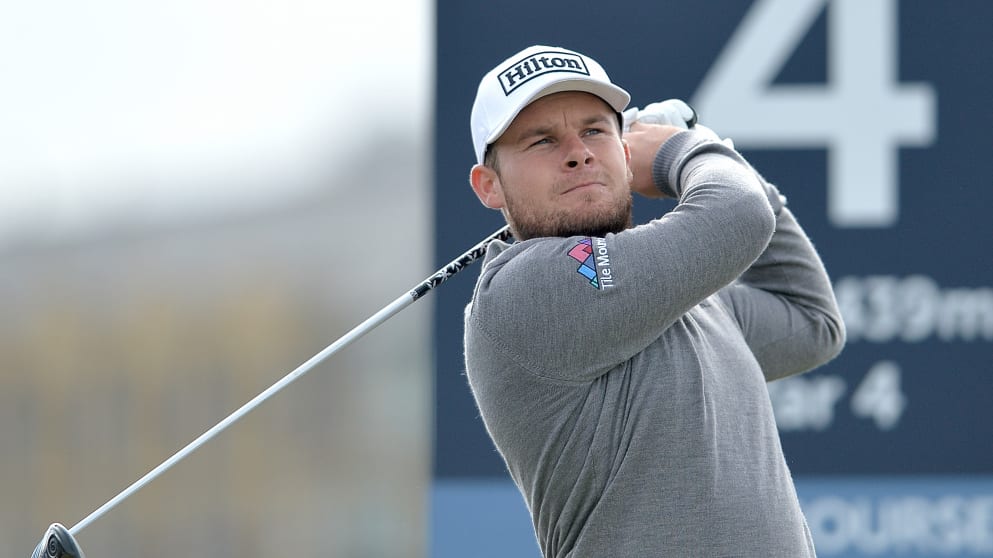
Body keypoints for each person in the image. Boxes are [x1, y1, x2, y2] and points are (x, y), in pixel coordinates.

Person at [462, 44, 846, 557]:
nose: (578, 153)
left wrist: (712, 158)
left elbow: (812, 321)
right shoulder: (521, 291)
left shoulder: (686, 297)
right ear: (489, 186)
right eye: (542, 141)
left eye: (595, 131)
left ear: (625, 153)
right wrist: (684, 150)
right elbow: (739, 214)